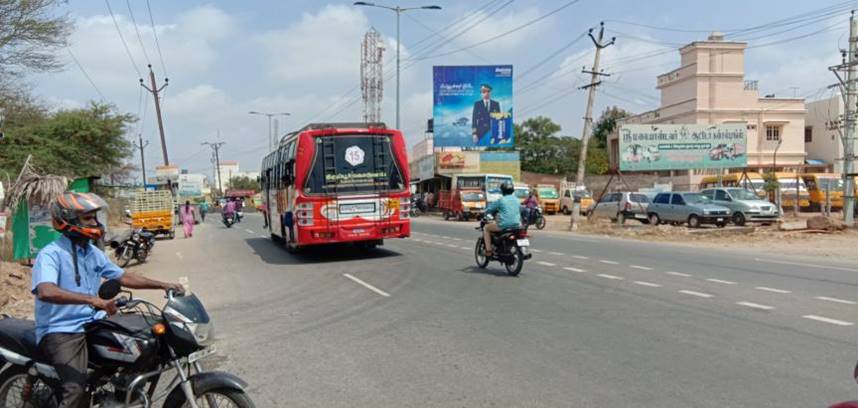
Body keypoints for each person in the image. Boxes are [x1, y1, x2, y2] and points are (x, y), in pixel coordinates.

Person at [32, 192, 183, 408]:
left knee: (146, 345)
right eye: (88, 218)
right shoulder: (51, 254)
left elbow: (123, 277)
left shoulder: (92, 252)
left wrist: (163, 285)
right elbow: (46, 291)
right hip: (62, 329)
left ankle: (122, 395)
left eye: (95, 217)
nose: (95, 222)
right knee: (75, 390)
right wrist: (92, 300)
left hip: (94, 322)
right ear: (68, 220)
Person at [483, 182, 521, 257]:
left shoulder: (501, 200)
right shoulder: (517, 200)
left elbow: (489, 209)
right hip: (517, 225)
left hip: (504, 225)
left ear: (502, 191)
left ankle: (488, 251)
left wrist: (485, 212)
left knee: (486, 228)